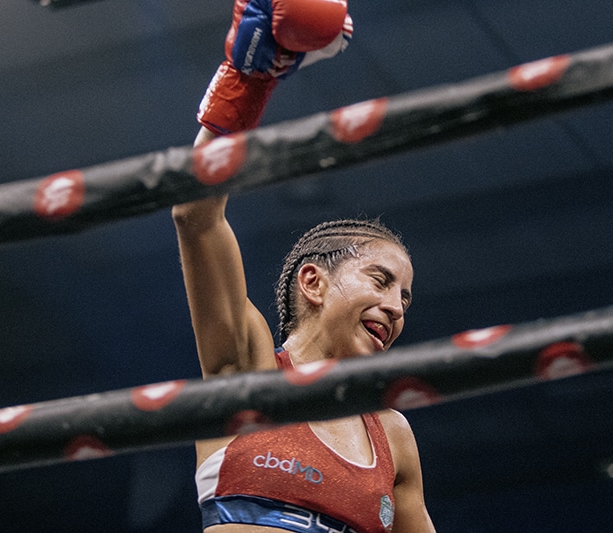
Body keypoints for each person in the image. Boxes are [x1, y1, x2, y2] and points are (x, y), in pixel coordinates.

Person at [172, 1, 436, 531]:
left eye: (404, 299)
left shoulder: (392, 435)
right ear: (313, 281)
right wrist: (247, 80)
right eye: (381, 281)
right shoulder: (247, 370)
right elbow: (195, 215)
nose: (394, 307)